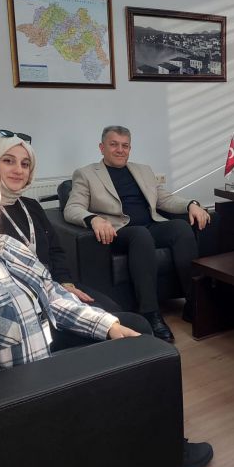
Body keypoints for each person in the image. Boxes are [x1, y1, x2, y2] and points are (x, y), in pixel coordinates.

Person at [0, 150, 213, 467]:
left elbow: (52, 295)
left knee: (133, 328)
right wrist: (20, 408)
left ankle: (159, 441)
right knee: (132, 350)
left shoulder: (4, 245)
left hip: (42, 350)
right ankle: (158, 449)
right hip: (24, 389)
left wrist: (107, 325)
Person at [0, 132, 153, 348]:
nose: (18, 170)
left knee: (116, 311)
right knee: (132, 327)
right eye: (8, 161)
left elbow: (55, 250)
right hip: (24, 303)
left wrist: (66, 283)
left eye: (25, 164)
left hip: (54, 286)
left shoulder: (31, 206)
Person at [63, 125, 211, 343]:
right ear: (102, 147)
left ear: (130, 148)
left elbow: (165, 199)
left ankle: (193, 303)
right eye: (114, 144)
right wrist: (93, 219)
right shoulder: (86, 174)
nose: (120, 150)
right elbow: (72, 208)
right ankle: (150, 313)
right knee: (140, 235)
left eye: (125, 146)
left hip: (151, 225)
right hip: (118, 232)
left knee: (180, 228)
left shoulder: (143, 170)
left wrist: (191, 204)